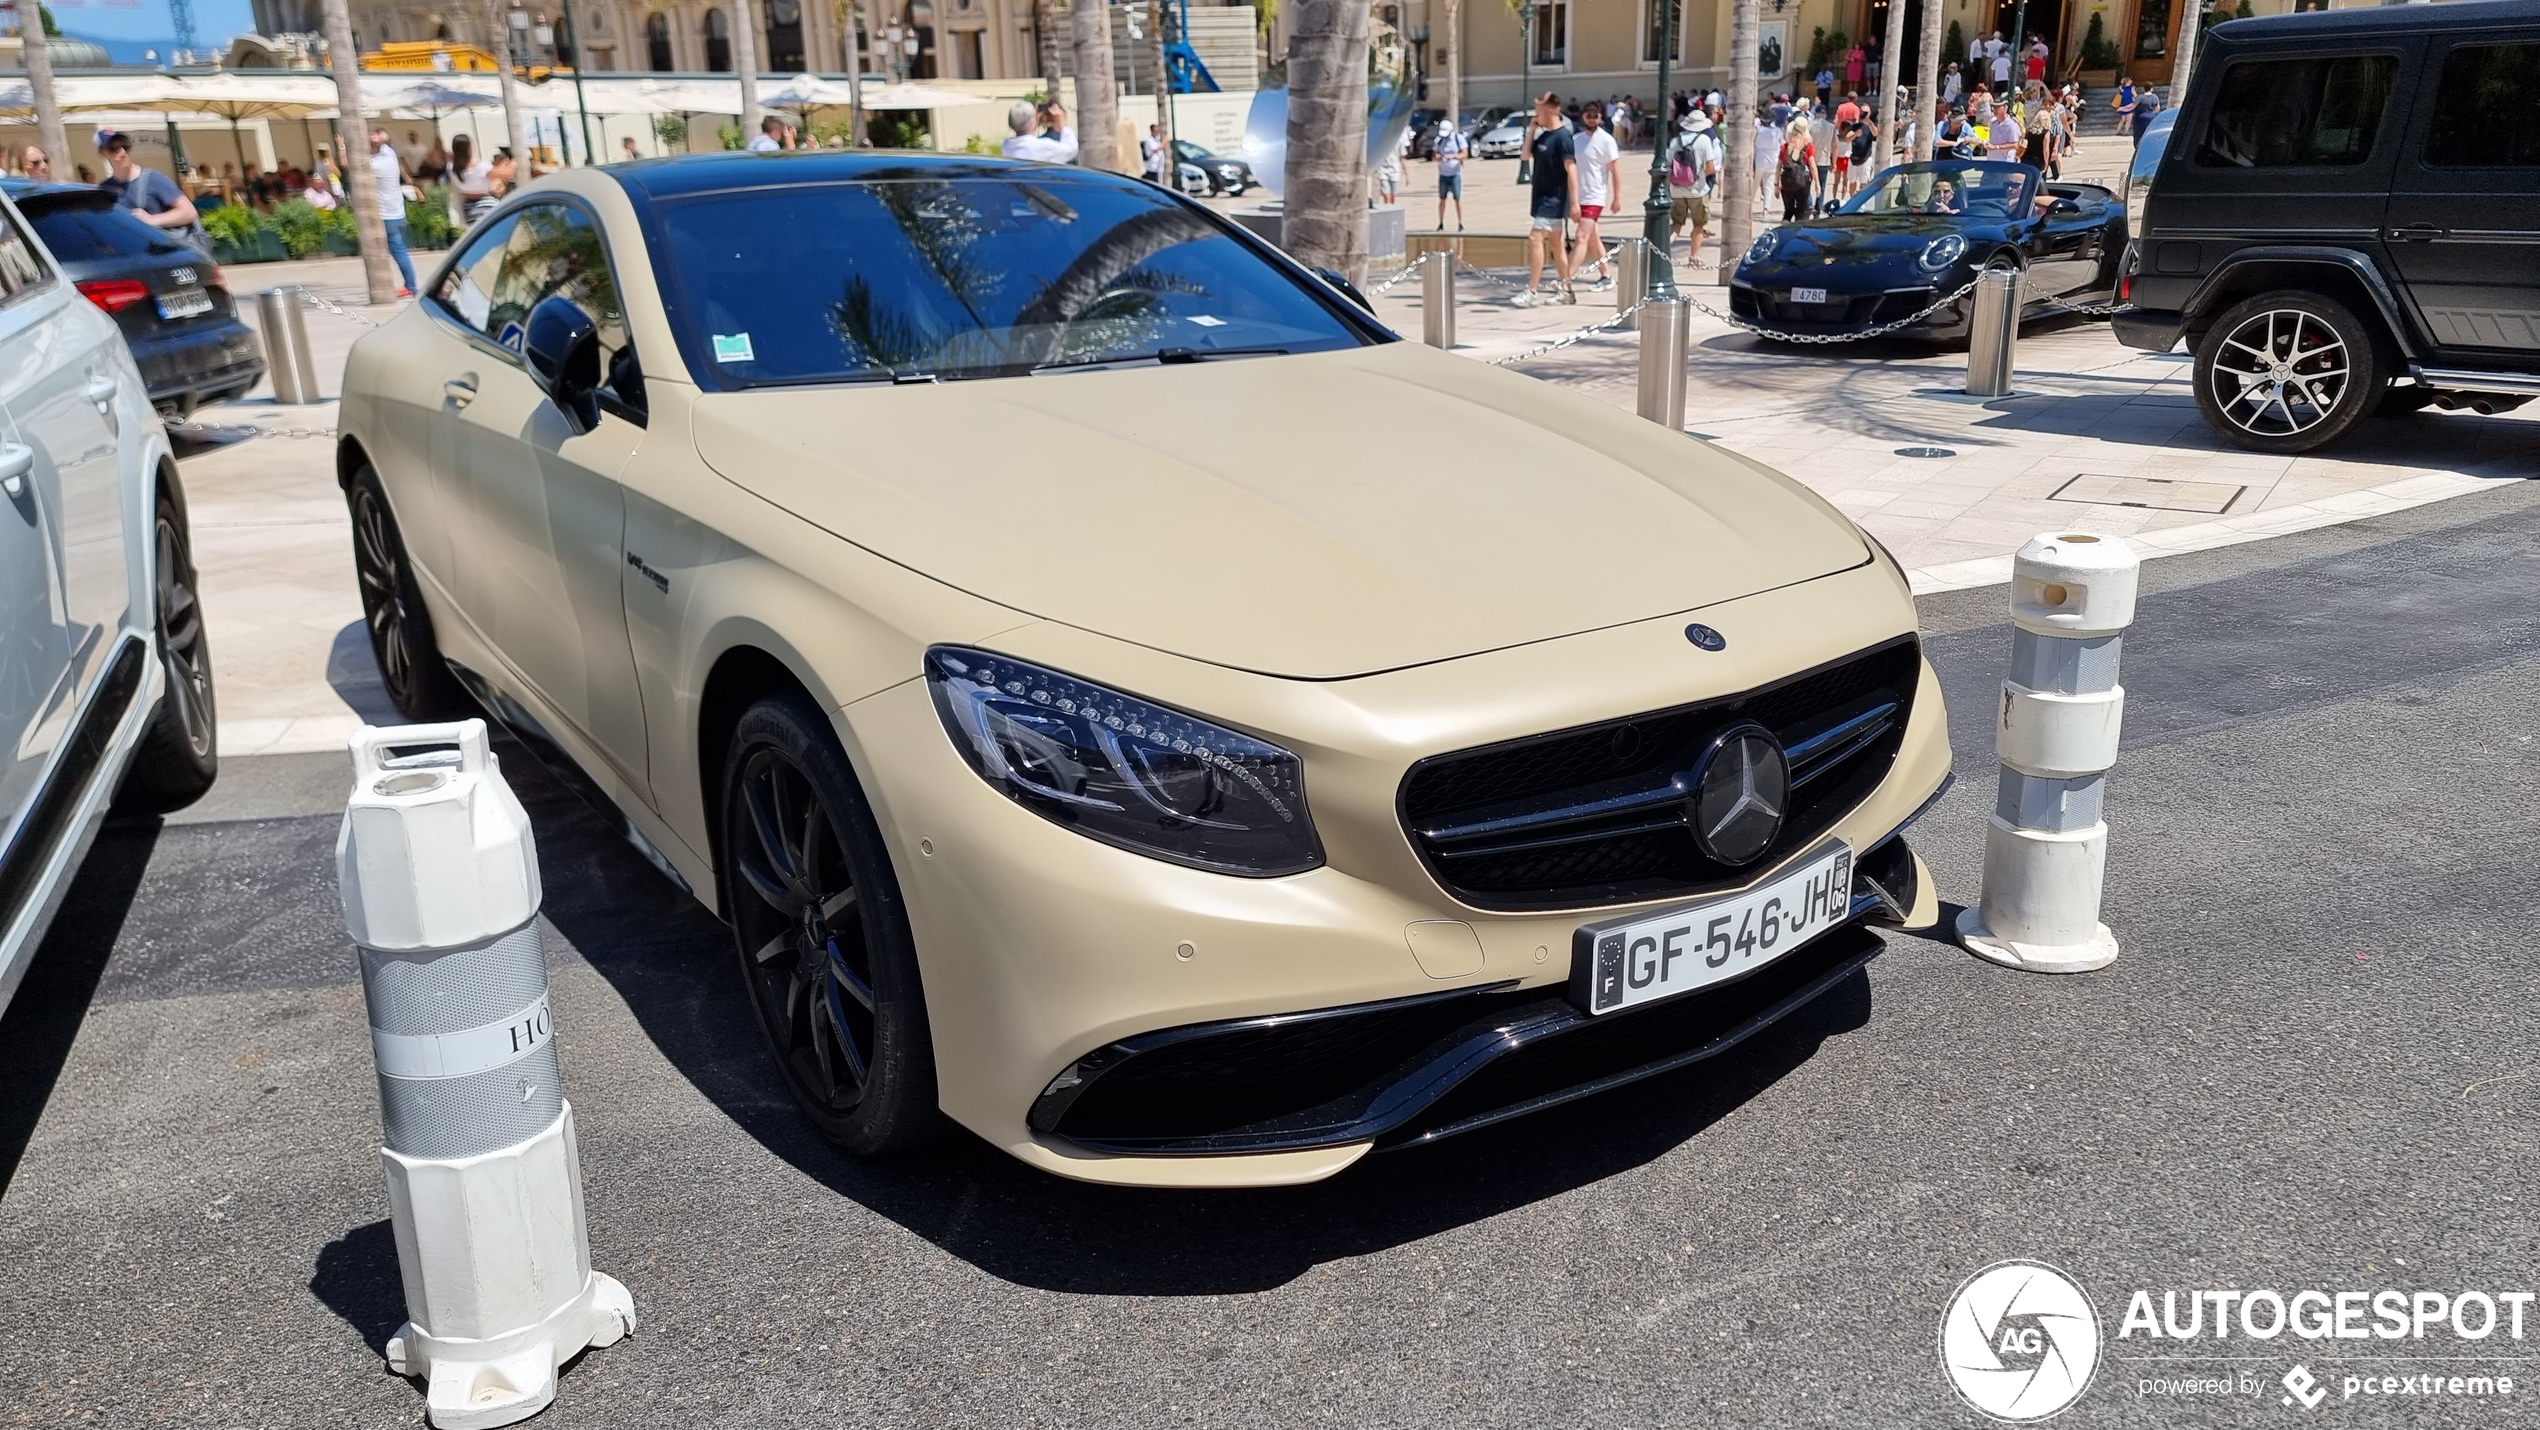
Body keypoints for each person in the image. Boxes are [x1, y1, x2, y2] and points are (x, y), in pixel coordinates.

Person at [94, 130, 209, 256]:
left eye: (125, 146)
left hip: (166, 254)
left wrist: (152, 220)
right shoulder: (105, 189)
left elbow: (189, 212)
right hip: (132, 257)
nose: (122, 152)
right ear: (102, 153)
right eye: (113, 148)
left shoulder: (154, 179)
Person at [1516, 92, 1576, 306]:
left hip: (1554, 200)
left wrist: (1575, 202)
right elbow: (1525, 155)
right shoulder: (1544, 136)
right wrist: (1532, 129)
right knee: (1557, 245)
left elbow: (1572, 170)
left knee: (1535, 238)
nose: (1536, 115)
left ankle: (1532, 291)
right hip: (1541, 198)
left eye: (1539, 111)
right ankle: (1567, 290)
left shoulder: (1563, 138)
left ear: (1550, 110)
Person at [1565, 100, 1621, 289]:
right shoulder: (1576, 140)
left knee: (1581, 236)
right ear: (1583, 117)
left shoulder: (1606, 141)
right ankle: (1606, 275)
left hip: (1595, 196)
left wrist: (1616, 198)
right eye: (1588, 115)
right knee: (1593, 237)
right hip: (1578, 195)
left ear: (1600, 117)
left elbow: (1615, 170)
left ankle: (1566, 281)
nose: (1592, 118)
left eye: (1595, 115)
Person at [367, 128, 418, 296]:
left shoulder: (375, 165)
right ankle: (408, 285)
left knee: (398, 251)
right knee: (399, 249)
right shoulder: (389, 153)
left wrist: (342, 147)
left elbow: (347, 164)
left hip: (387, 214)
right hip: (398, 211)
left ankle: (411, 286)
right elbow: (385, 138)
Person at [1667, 109, 1722, 266]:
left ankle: (1663, 250)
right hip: (1698, 190)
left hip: (1676, 189)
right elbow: (1711, 167)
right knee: (1699, 225)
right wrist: (1700, 176)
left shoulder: (1675, 141)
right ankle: (1693, 256)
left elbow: (1668, 166)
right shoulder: (1704, 140)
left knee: (1676, 224)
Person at [1001, 100, 1077, 162]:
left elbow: (1025, 135)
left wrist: (1033, 119)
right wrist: (1062, 122)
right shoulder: (1041, 146)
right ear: (1031, 124)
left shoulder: (1007, 145)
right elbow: (1070, 149)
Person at [1432, 118, 1467, 231]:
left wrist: (1454, 157)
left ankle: (1460, 223)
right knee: (1442, 199)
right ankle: (1441, 223)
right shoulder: (1439, 140)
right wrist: (1437, 157)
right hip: (1443, 174)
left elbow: (1465, 154)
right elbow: (1434, 155)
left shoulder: (1459, 139)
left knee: (1457, 198)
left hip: (1455, 173)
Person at [452, 134, 495, 223]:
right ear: (470, 148)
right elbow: (506, 173)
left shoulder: (453, 170)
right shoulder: (481, 168)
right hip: (487, 204)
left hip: (469, 208)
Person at [1779, 115, 1815, 223]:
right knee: (1801, 212)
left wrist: (1777, 183)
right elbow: (1812, 165)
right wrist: (1817, 184)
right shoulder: (1809, 146)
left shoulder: (1785, 146)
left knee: (1788, 212)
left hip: (1787, 181)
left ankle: (1785, 231)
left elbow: (1780, 164)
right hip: (1803, 182)